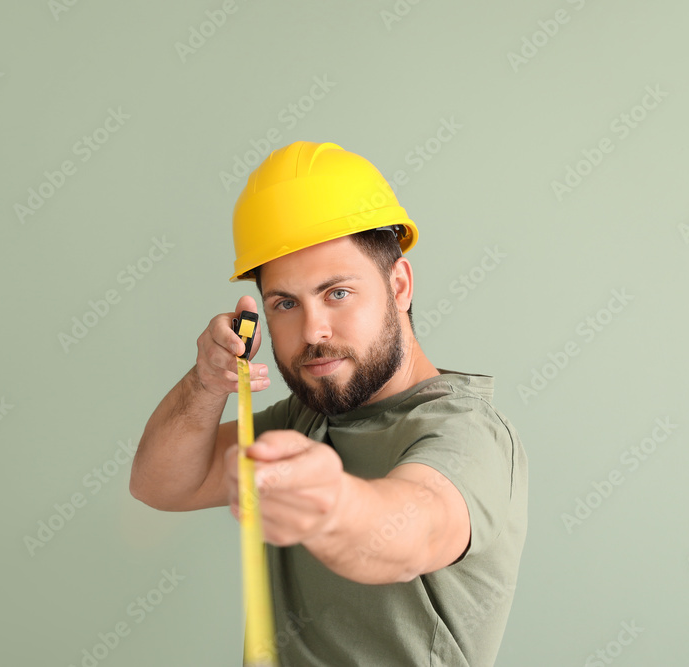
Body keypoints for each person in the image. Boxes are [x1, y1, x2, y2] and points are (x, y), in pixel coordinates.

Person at [129, 140, 528, 666]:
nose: (313, 331)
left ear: (399, 285)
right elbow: (160, 483)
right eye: (286, 303)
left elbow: (412, 531)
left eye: (337, 292)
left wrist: (331, 505)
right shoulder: (310, 416)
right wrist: (205, 382)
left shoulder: (468, 434)